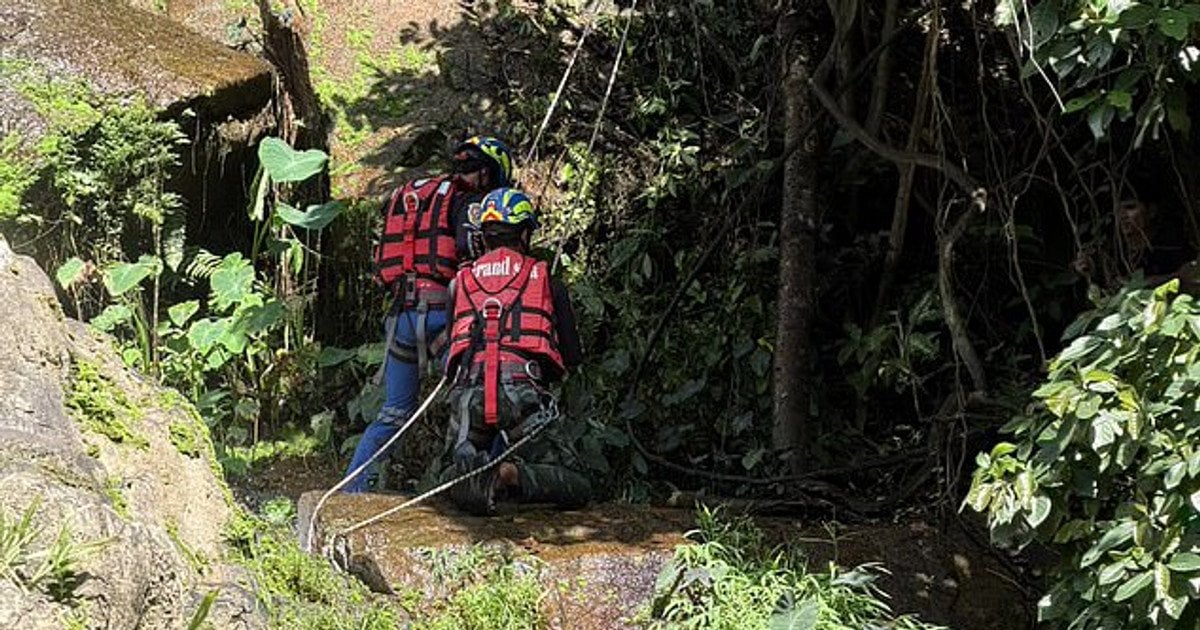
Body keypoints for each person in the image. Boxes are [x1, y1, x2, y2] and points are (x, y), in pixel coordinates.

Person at [343, 136, 514, 493]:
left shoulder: (422, 197)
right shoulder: (467, 203)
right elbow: (472, 255)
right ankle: (486, 486)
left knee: (394, 412)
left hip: (401, 318)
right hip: (440, 318)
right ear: (487, 174)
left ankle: (352, 490)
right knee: (484, 400)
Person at [439, 188, 591, 515]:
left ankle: (473, 477)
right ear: (524, 234)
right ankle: (511, 474)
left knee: (445, 477)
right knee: (578, 482)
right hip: (523, 393)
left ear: (483, 237)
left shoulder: (458, 283)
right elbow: (572, 356)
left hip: (469, 394)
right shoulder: (547, 279)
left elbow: (453, 351)